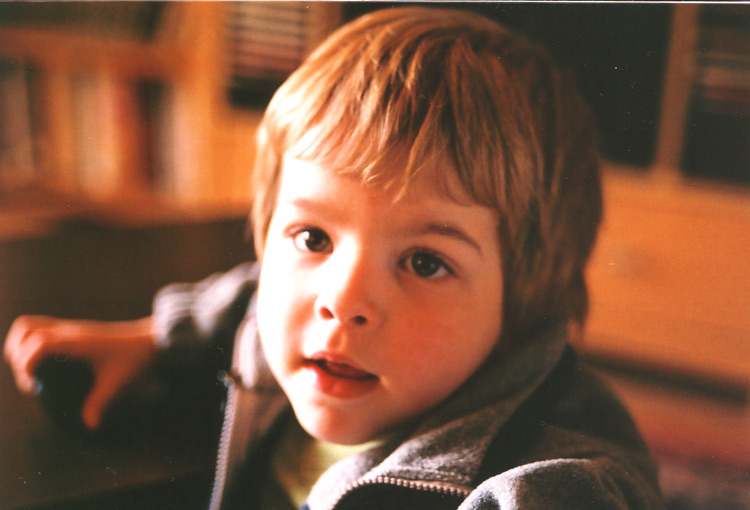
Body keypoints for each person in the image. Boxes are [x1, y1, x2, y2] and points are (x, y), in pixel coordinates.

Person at [4, 7, 663, 510]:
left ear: (523, 299)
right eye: (314, 238)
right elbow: (249, 294)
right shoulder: (314, 330)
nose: (342, 300)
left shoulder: (560, 476)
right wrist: (152, 338)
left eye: (425, 263)